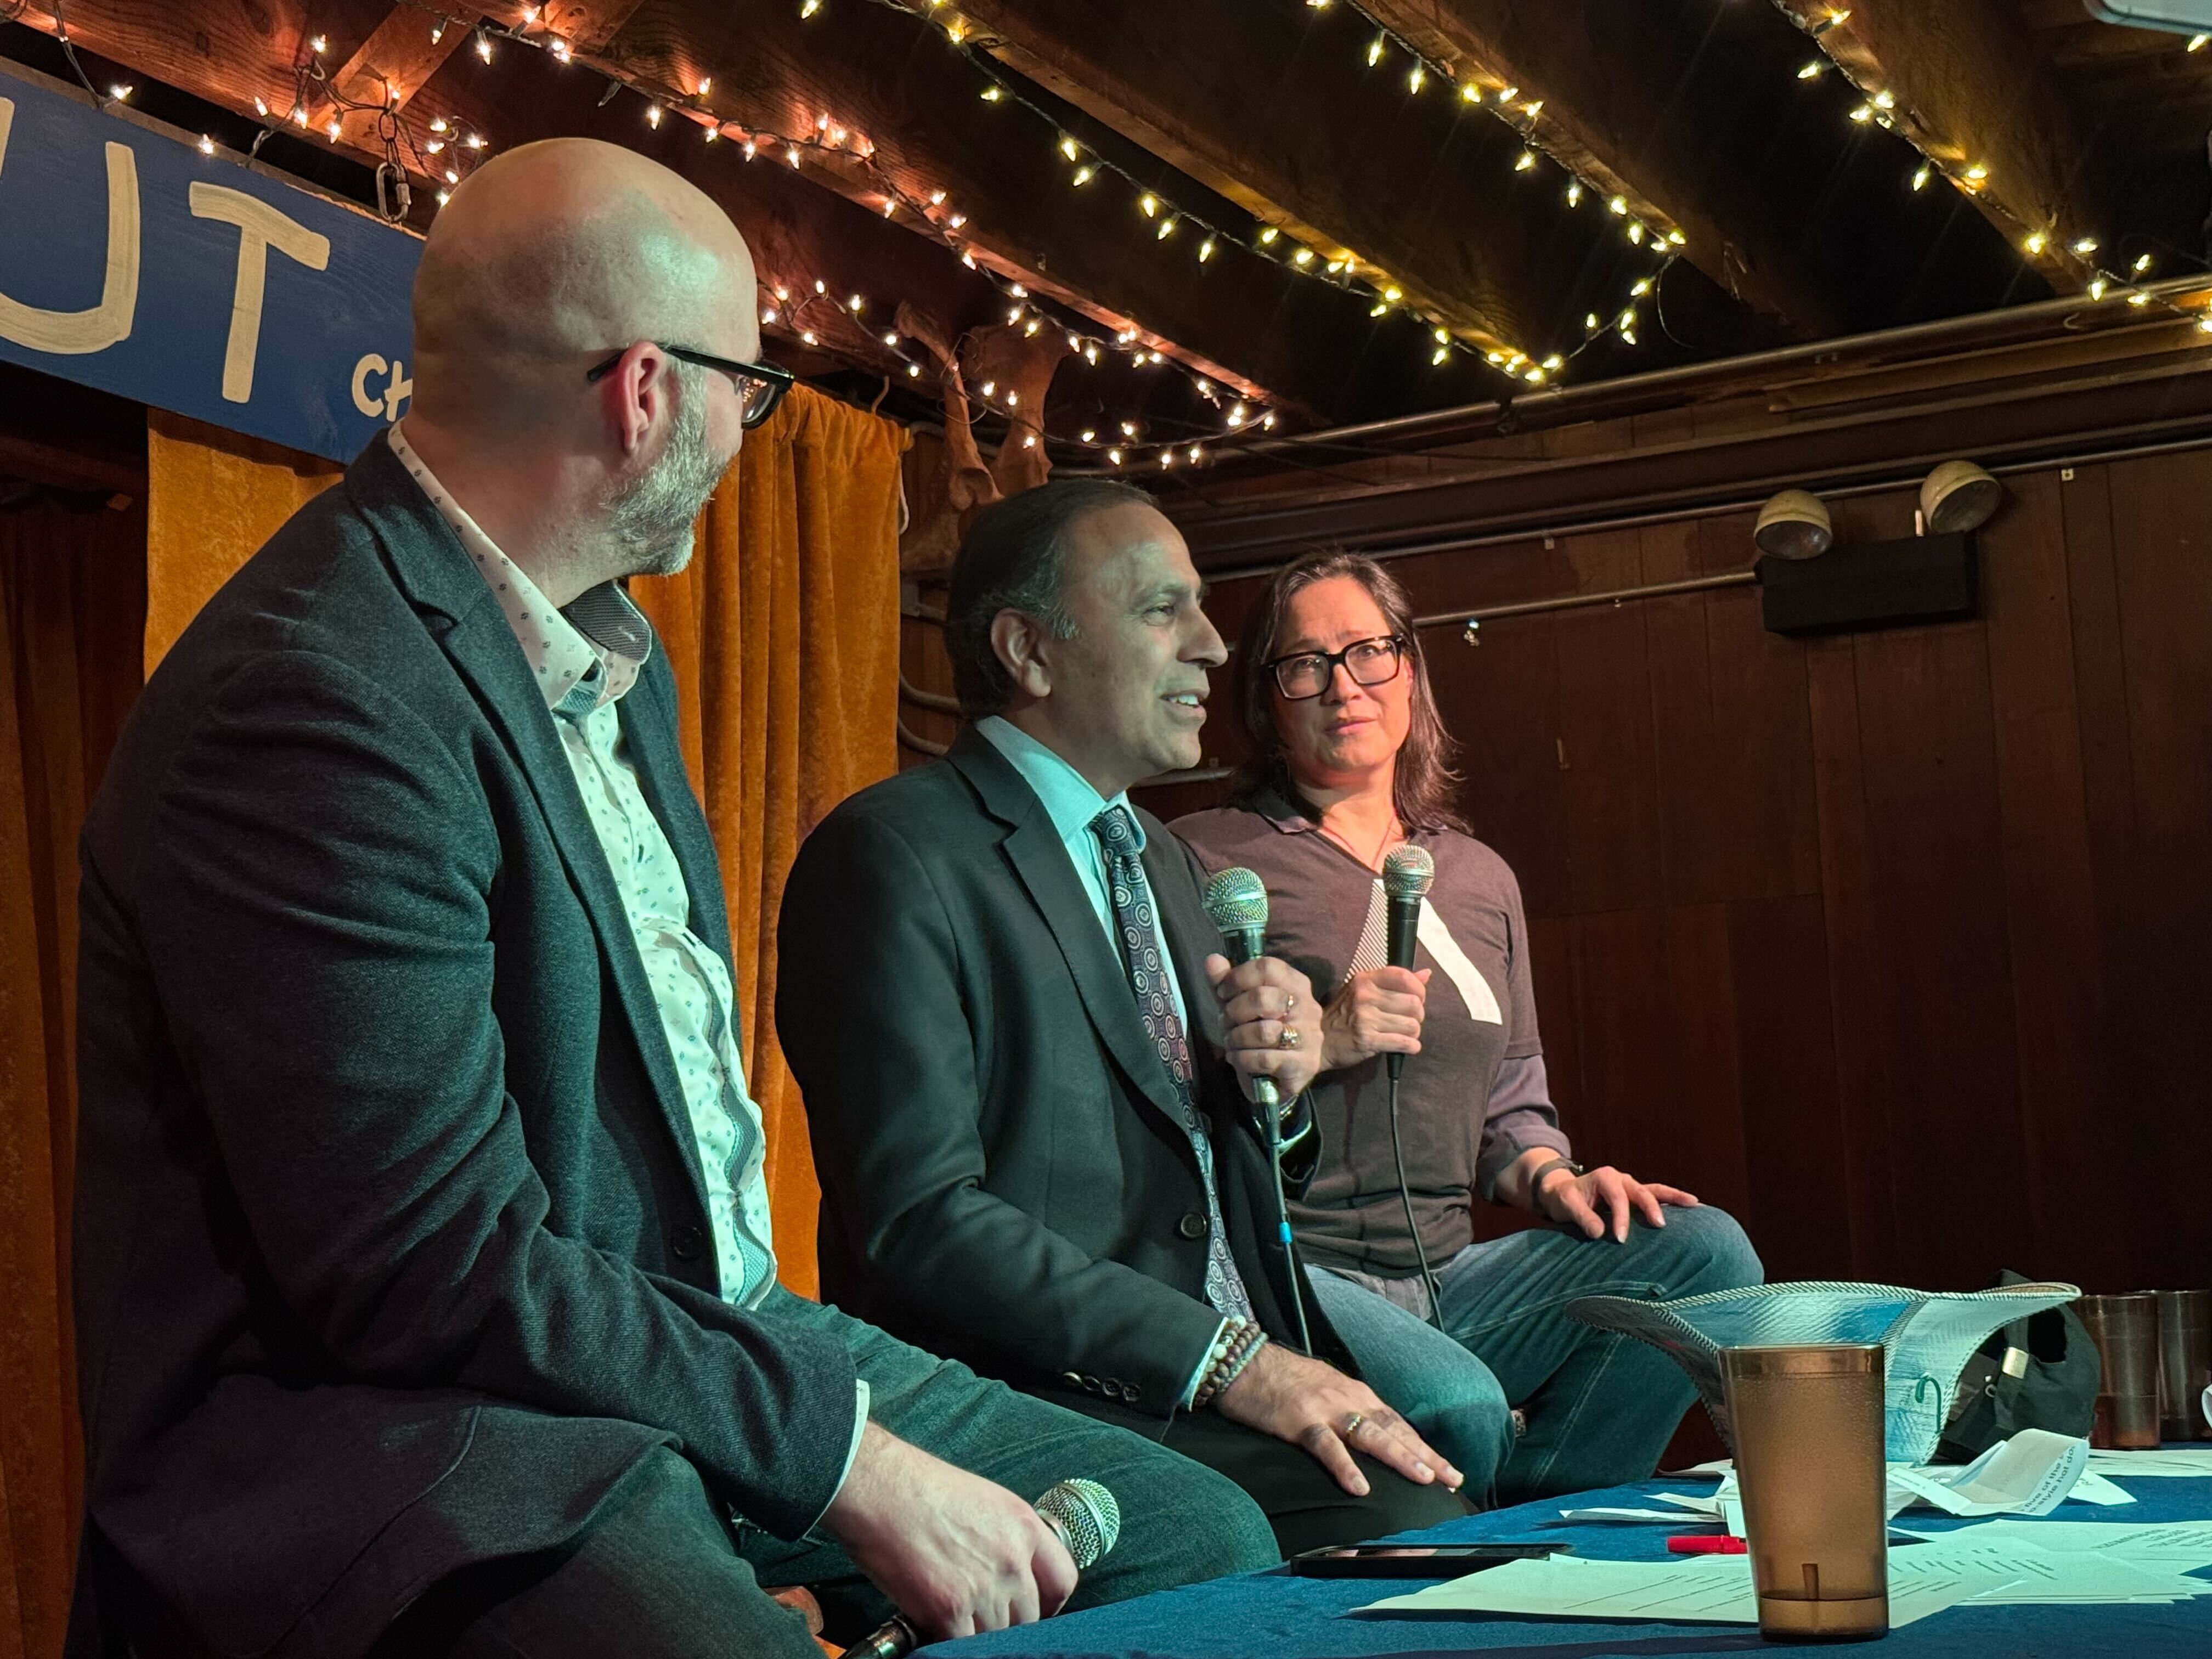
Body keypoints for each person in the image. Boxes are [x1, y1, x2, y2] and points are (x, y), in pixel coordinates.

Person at [66, 140, 1280, 1659]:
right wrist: (845, 1466)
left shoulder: (611, 661)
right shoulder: (318, 700)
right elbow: (429, 1273)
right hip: (413, 1436)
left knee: (1196, 1542)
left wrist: (805, 1439)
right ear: (644, 392)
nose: (746, 431)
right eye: (749, 392)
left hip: (686, 1345)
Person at [777, 479, 1472, 1558]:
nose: (1211, 647)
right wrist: (1233, 1364)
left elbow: (1235, 1166)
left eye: (1200, 608)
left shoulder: (1169, 859)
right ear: (1028, 650)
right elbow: (918, 1218)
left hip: (1211, 1367)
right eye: (1162, 610)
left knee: (1449, 1464)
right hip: (1033, 1389)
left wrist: (1277, 1093)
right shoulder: (895, 856)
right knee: (1406, 1525)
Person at [1173, 549, 1764, 1504]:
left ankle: (1554, 1520)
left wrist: (1554, 1175)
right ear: (1267, 700)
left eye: (1370, 652)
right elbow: (1177, 1089)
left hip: (1452, 1274)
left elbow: (1511, 1101)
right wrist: (1322, 1037)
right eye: (1305, 664)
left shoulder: (1480, 876)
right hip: (1296, 1275)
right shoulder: (1210, 858)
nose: (1343, 685)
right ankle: (1491, 1542)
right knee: (1460, 1406)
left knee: (1706, 1254)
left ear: (1410, 670)